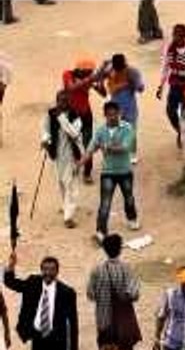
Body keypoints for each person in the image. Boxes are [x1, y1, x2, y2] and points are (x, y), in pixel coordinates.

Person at [4, 252, 78, 350]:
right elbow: (11, 283)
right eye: (45, 269)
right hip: (37, 337)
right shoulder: (33, 282)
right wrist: (11, 266)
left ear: (57, 271)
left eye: (52, 270)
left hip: (56, 340)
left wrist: (73, 347)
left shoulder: (67, 292)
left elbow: (73, 321)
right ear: (41, 270)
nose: (48, 273)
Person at [81, 100, 139, 244]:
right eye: (109, 115)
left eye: (115, 114)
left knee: (129, 198)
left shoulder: (127, 128)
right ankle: (101, 231)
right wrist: (80, 163)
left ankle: (132, 218)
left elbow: (125, 147)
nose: (112, 117)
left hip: (125, 171)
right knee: (105, 203)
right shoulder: (100, 131)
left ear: (119, 113)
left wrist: (107, 147)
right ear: (105, 115)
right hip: (108, 172)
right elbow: (91, 148)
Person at [85, 234, 141, 350]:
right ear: (120, 249)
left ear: (104, 250)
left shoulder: (97, 270)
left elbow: (90, 295)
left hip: (103, 322)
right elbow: (134, 294)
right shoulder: (126, 268)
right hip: (123, 323)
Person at [41, 90, 84, 228]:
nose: (62, 103)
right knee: (60, 182)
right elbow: (45, 129)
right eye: (60, 101)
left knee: (70, 184)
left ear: (69, 102)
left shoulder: (75, 116)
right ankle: (66, 205)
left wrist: (61, 117)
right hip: (56, 154)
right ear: (57, 101)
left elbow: (73, 133)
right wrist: (45, 140)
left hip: (72, 155)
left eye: (65, 101)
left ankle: (68, 217)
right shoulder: (50, 114)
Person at [156, 23, 185, 148]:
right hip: (175, 84)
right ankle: (180, 131)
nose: (177, 38)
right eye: (175, 35)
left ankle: (183, 135)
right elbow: (165, 67)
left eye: (180, 36)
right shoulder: (168, 48)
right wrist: (161, 86)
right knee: (170, 111)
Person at [63, 56, 104, 184]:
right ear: (79, 70)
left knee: (88, 144)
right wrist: (89, 79)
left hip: (85, 113)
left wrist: (100, 83)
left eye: (90, 72)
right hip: (71, 113)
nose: (90, 73)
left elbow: (103, 94)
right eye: (87, 72)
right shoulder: (67, 74)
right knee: (71, 140)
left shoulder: (89, 78)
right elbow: (71, 88)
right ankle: (77, 160)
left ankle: (87, 173)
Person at [99, 54, 145, 162]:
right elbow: (99, 77)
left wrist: (135, 85)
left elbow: (141, 88)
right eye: (116, 66)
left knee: (131, 131)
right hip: (115, 107)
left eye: (119, 66)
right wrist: (102, 69)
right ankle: (117, 153)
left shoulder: (132, 71)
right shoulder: (110, 70)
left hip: (129, 106)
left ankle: (132, 154)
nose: (117, 69)